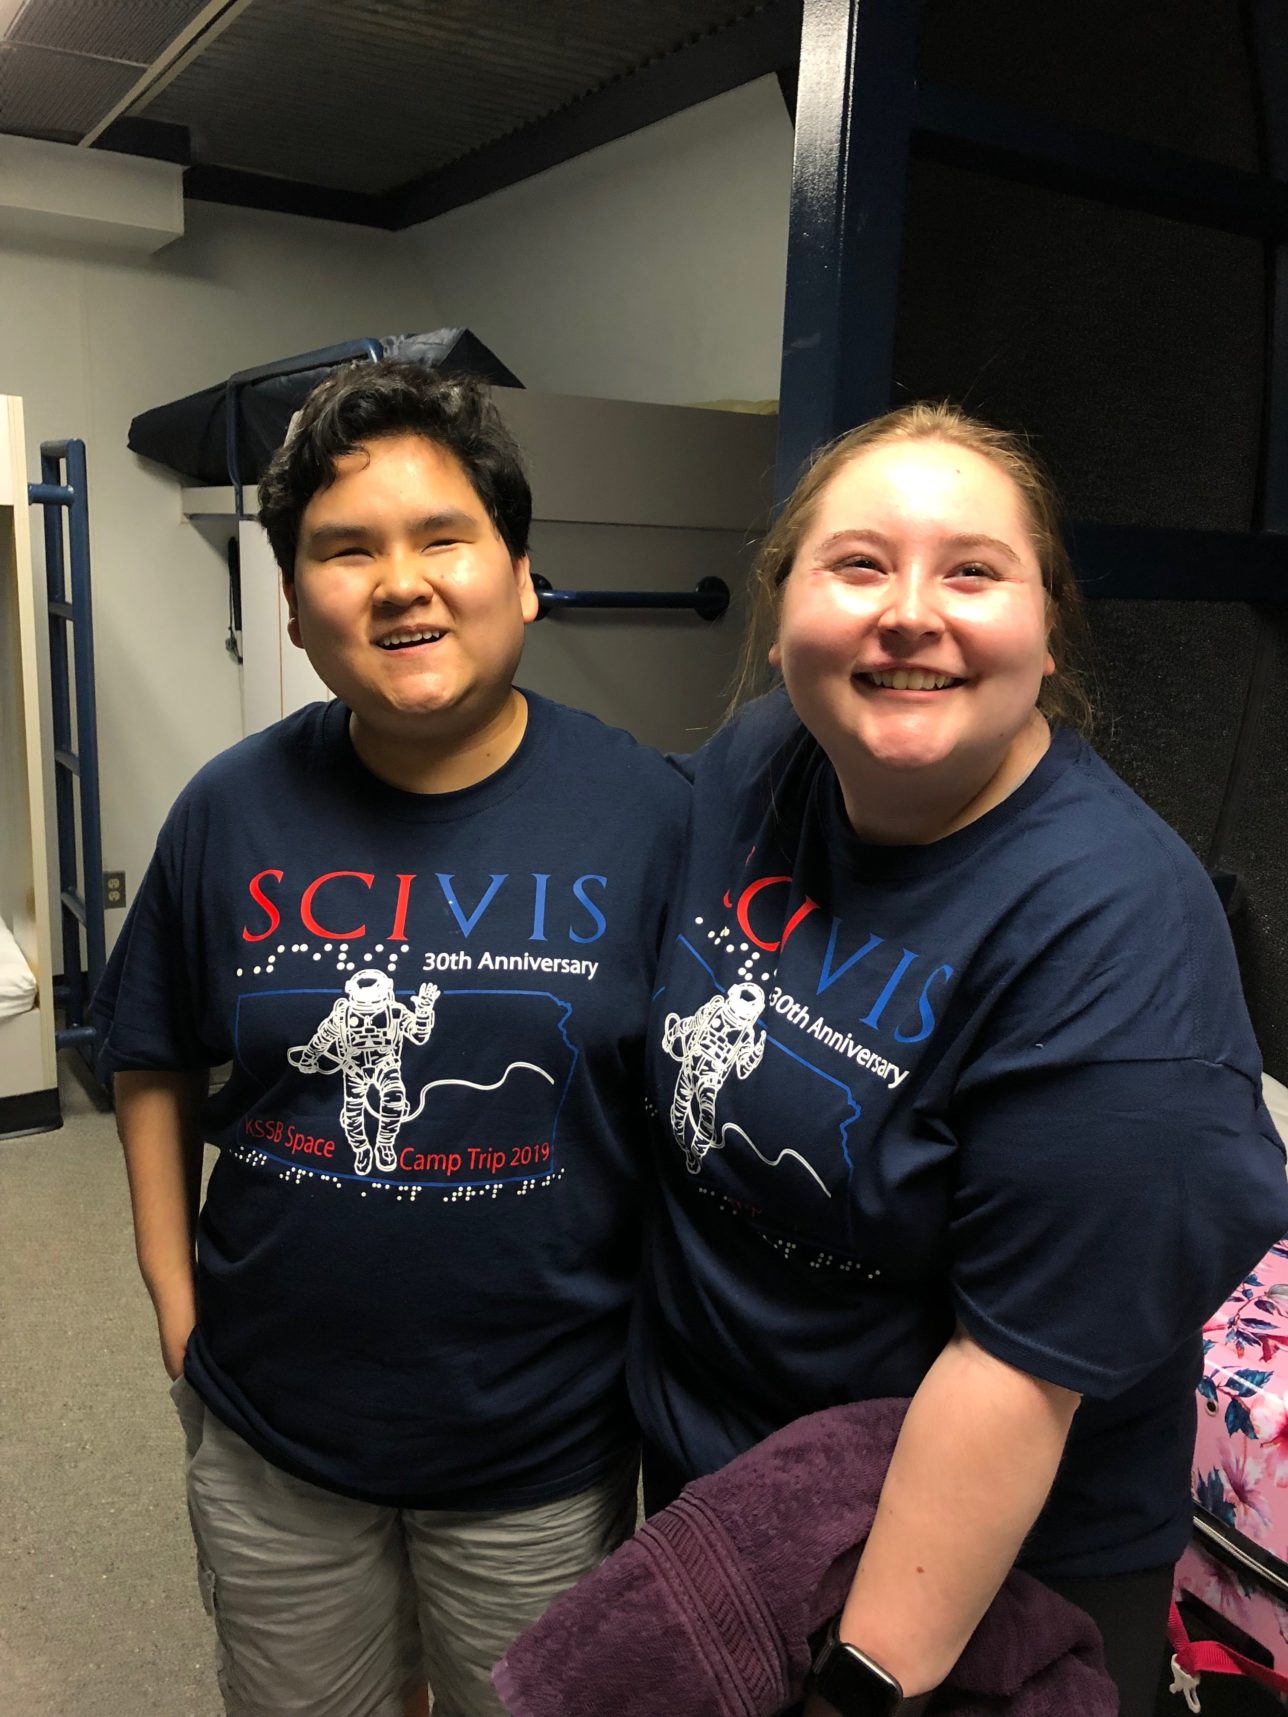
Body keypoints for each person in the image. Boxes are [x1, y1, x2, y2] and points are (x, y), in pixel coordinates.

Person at [626, 402, 1288, 1717]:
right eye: (859, 564)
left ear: (1047, 635)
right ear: (780, 618)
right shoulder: (761, 762)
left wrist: (863, 1688)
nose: (909, 611)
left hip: (969, 1570)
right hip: (726, 1481)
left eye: (973, 571)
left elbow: (1012, 1379)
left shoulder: (1117, 938)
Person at [93, 360, 689, 1717]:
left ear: (522, 573)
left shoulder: (650, 813)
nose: (399, 581)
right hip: (272, 1429)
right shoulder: (230, 809)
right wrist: (173, 1299)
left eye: (443, 537)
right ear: (298, 611)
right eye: (344, 550)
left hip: (544, 1444)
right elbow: (150, 1049)